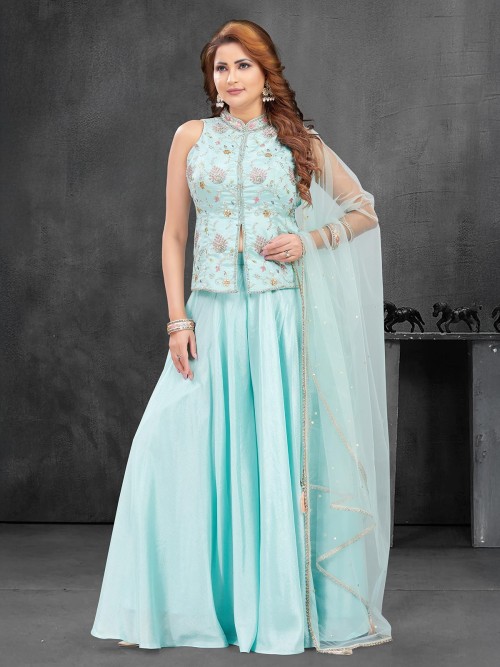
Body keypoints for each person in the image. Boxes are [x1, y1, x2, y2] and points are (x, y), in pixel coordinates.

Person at [90, 19, 392, 656]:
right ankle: (199, 607)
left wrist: (310, 239)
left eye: (242, 66)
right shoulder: (191, 137)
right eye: (220, 68)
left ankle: (277, 608)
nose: (229, 78)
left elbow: (362, 208)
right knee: (173, 449)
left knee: (273, 455)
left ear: (266, 74)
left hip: (279, 318)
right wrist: (178, 319)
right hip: (211, 315)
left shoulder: (299, 143)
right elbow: (175, 235)